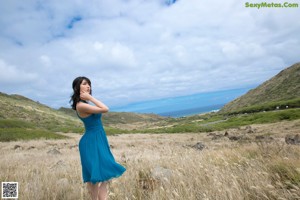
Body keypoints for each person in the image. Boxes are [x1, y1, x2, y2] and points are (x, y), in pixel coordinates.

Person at [70, 76, 126, 200]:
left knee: (105, 172)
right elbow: (105, 109)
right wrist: (90, 97)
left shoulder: (85, 104)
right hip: (91, 142)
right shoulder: (80, 105)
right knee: (94, 177)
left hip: (99, 139)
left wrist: (89, 98)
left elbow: (102, 109)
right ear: (77, 87)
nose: (88, 86)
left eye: (89, 84)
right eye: (84, 84)